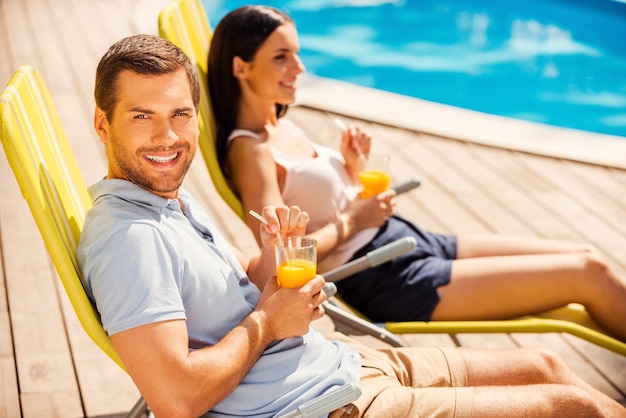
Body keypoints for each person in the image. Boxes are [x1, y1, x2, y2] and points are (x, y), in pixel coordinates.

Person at [77, 33, 626, 418]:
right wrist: (269, 321)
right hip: (325, 406)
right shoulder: (129, 239)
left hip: (340, 363)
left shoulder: (166, 201)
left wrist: (271, 262)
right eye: (141, 116)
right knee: (574, 408)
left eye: (180, 114)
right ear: (103, 124)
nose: (168, 137)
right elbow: (175, 400)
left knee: (546, 363)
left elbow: (224, 292)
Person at [207, 4, 626, 342]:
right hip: (388, 277)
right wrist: (354, 219)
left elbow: (322, 199)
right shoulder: (251, 150)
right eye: (281, 57)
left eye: (297, 53)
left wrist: (353, 168)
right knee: (588, 274)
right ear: (241, 67)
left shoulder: (279, 125)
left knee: (586, 254)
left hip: (406, 241)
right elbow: (277, 258)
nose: (298, 67)